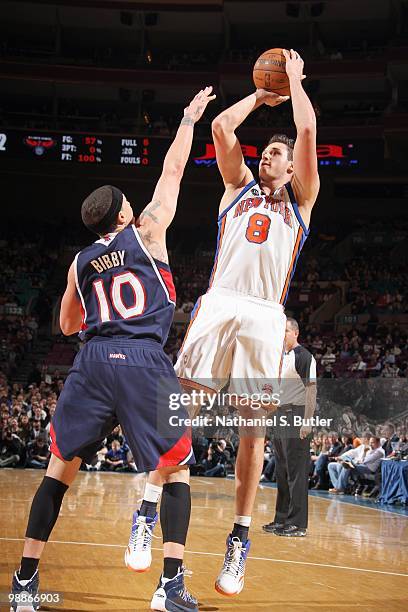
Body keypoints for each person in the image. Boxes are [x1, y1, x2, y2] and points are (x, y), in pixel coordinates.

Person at [10, 87, 215, 612]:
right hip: (143, 359)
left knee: (59, 471)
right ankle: (169, 586)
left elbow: (65, 322)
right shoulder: (147, 232)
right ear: (123, 217)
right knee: (177, 470)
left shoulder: (79, 262)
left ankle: (26, 584)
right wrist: (189, 119)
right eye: (128, 201)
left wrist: (86, 286)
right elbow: (172, 171)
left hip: (93, 362)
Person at [137, 48, 319, 597]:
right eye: (267, 148)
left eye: (279, 152)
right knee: (180, 407)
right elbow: (219, 125)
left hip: (265, 315)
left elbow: (307, 127)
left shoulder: (301, 203)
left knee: (253, 429)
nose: (271, 153)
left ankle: (239, 540)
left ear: (292, 169)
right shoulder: (236, 187)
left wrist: (295, 82)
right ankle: (147, 508)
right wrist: (261, 97)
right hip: (219, 301)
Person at [262, 318, 317, 537]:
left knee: (297, 473)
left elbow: (311, 389)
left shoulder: (304, 356)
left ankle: (298, 523)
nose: (281, 335)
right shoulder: (279, 358)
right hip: (279, 416)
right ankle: (281, 518)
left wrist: (307, 420)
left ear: (295, 333)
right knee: (282, 471)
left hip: (296, 415)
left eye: (285, 331)